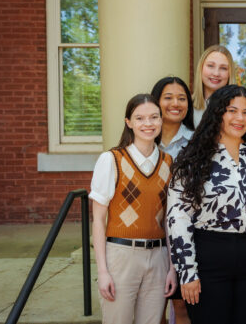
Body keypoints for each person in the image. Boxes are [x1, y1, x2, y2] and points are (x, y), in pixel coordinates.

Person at [167, 85, 246, 324]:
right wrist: (187, 270)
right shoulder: (192, 160)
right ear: (217, 113)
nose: (239, 118)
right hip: (209, 256)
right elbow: (178, 217)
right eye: (232, 110)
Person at [90, 94, 177, 324]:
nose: (148, 124)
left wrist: (172, 267)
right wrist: (102, 272)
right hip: (120, 256)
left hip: (158, 258)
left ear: (161, 120)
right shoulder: (111, 160)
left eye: (154, 117)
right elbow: (98, 220)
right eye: (140, 118)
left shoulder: (169, 163)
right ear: (128, 122)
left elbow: (170, 220)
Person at [150, 77, 194, 324]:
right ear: (156, 100)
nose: (175, 103)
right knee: (153, 306)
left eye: (181, 98)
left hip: (184, 235)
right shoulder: (142, 137)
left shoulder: (196, 141)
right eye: (168, 97)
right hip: (148, 233)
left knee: (182, 304)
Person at [192, 45, 235, 127]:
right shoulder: (186, 106)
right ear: (201, 68)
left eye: (223, 68)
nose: (216, 73)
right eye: (210, 66)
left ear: (230, 74)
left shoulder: (237, 109)